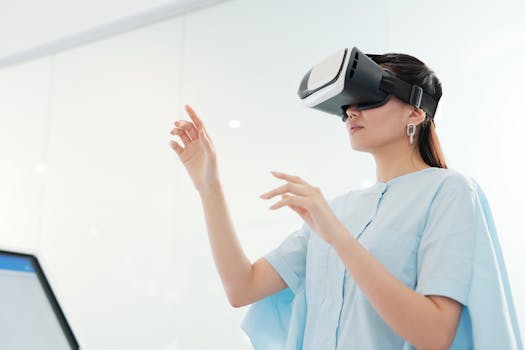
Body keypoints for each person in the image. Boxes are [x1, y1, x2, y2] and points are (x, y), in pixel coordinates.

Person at [168, 53, 523, 349]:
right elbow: (242, 287)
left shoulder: (450, 191)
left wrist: (338, 237)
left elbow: (435, 334)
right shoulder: (338, 209)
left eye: (369, 99)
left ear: (416, 111)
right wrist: (208, 186)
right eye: (346, 105)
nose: (351, 112)